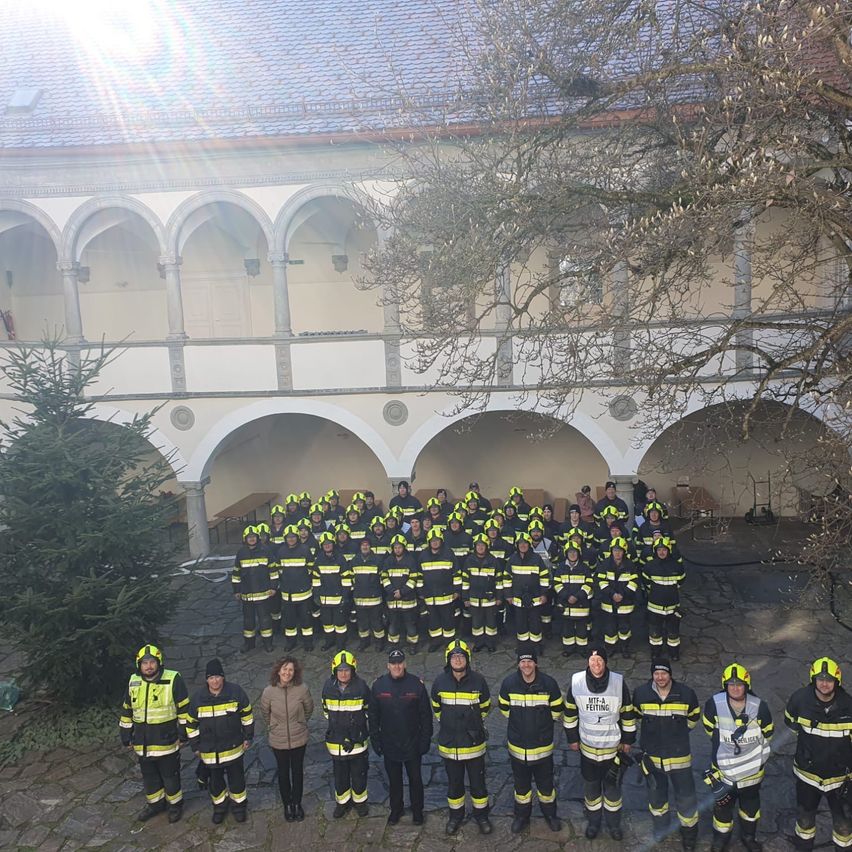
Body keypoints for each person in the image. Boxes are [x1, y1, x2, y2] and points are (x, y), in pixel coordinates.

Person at [563, 647, 636, 841]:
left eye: (600, 660)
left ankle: (614, 825)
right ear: (588, 661)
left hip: (613, 751)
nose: (596, 664)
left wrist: (628, 741)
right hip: (587, 750)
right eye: (592, 660)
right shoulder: (577, 682)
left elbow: (628, 714)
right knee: (591, 791)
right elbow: (569, 713)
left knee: (613, 792)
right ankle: (594, 823)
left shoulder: (618, 683)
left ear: (605, 662)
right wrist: (572, 739)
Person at [702, 662, 773, 852]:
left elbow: (768, 733)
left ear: (747, 685)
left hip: (751, 773)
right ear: (725, 685)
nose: (735, 688)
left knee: (750, 808)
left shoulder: (759, 707)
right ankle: (721, 840)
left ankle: (748, 837)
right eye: (731, 684)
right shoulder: (713, 704)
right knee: (722, 808)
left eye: (739, 684)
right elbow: (709, 729)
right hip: (724, 772)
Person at [784, 657, 852, 852]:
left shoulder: (849, 706)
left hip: (841, 780)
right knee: (804, 823)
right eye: (820, 678)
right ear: (813, 679)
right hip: (808, 777)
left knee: (844, 827)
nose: (824, 683)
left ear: (837, 682)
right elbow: (792, 723)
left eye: (829, 679)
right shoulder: (799, 700)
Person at [633, 658, 700, 850]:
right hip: (652, 759)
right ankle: (661, 829)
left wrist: (677, 735)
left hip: (679, 759)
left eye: (664, 673)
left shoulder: (686, 694)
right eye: (656, 673)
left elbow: (694, 717)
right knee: (657, 799)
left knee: (686, 799)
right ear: (652, 675)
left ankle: (689, 835)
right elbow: (636, 715)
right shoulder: (641, 694)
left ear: (670, 674)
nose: (660, 677)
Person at [119, 644, 190, 823]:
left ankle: (175, 805)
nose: (149, 666)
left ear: (159, 663)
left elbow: (184, 710)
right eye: (145, 663)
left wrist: (183, 735)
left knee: (170, 777)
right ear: (139, 665)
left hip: (167, 741)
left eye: (152, 662)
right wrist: (126, 735)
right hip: (143, 744)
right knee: (150, 778)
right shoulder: (133, 681)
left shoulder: (173, 679)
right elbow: (127, 709)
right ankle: (155, 805)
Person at [498, 647, 563, 834]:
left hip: (542, 748)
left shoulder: (549, 684)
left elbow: (557, 709)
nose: (526, 665)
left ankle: (550, 815)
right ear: (518, 664)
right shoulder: (509, 683)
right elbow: (504, 708)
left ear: (536, 663)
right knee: (521, 788)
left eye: (529, 661)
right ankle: (522, 816)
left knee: (546, 787)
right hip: (518, 748)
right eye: (523, 661)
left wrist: (542, 726)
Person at [431, 640, 492, 835]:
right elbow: (436, 708)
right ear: (448, 660)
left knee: (478, 785)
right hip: (450, 745)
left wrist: (473, 724)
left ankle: (481, 816)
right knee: (454, 785)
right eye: (454, 657)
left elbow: (485, 706)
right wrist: (449, 724)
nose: (458, 660)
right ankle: (455, 817)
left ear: (467, 659)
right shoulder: (440, 682)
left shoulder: (479, 681)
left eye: (461, 656)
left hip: (474, 745)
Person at [369, 649, 433, 825]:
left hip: (412, 743)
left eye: (400, 662)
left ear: (404, 663)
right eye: (393, 663)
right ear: (388, 665)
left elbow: (426, 715)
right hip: (389, 743)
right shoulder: (378, 686)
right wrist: (375, 740)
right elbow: (373, 716)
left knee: (415, 779)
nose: (397, 666)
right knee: (394, 781)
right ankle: (396, 810)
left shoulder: (416, 685)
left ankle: (417, 811)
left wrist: (425, 740)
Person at [186, 659, 253, 824]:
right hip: (210, 752)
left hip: (233, 748)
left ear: (223, 677)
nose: (215, 681)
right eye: (211, 678)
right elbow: (191, 724)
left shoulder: (236, 692)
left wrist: (248, 737)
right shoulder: (198, 699)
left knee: (237, 780)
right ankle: (220, 807)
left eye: (217, 677)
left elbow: (247, 716)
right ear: (206, 680)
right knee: (215, 783)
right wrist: (195, 746)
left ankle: (239, 807)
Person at [260, 656, 314, 822]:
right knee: (283, 773)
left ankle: (297, 804)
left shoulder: (302, 689)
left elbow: (309, 709)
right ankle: (287, 805)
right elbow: (264, 713)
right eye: (284, 669)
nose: (287, 672)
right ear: (278, 670)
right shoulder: (268, 691)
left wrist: (299, 723)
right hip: (278, 739)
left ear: (295, 672)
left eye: (290, 669)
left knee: (297, 772)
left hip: (299, 737)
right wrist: (274, 727)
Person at [322, 650, 371, 817]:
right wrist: (341, 732)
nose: (343, 673)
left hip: (357, 741)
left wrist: (353, 733)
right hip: (336, 742)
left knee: (359, 774)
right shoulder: (328, 688)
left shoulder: (361, 687)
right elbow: (327, 711)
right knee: (340, 776)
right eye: (340, 670)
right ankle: (342, 803)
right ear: (335, 671)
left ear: (353, 670)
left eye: (347, 670)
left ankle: (360, 803)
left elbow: (367, 711)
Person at [232, 524, 277, 652]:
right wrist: (236, 590)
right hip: (246, 594)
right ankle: (249, 644)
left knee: (265, 621)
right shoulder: (241, 553)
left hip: (263, 593)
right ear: (245, 539)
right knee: (248, 621)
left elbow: (273, 571)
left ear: (258, 538)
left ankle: (268, 644)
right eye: (249, 537)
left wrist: (273, 587)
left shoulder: (266, 550)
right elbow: (236, 573)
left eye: (254, 537)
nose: (252, 539)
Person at [642, 537, 686, 658]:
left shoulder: (677, 566)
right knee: (655, 633)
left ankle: (674, 653)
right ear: (655, 551)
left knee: (673, 633)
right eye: (659, 550)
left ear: (669, 550)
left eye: (664, 550)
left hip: (673, 606)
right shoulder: (649, 566)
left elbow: (681, 580)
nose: (661, 552)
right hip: (654, 607)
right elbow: (646, 582)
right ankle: (656, 653)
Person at [418, 527, 461, 651]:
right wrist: (421, 592)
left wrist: (457, 591)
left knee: (448, 619)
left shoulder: (448, 553)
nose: (435, 542)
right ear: (429, 542)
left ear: (441, 541)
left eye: (437, 540)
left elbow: (457, 574)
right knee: (433, 621)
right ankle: (436, 641)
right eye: (432, 541)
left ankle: (449, 642)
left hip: (446, 595)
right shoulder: (423, 555)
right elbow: (419, 576)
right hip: (430, 595)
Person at [505, 531, 549, 648]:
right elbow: (507, 578)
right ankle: (523, 647)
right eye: (520, 543)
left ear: (529, 544)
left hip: (536, 598)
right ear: (517, 545)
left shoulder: (537, 558)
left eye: (525, 543)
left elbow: (544, 577)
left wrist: (544, 594)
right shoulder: (512, 559)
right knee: (521, 624)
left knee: (535, 624)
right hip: (517, 599)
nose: (523, 545)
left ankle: (536, 646)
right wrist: (508, 596)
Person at [460, 532, 504, 651]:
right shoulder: (469, 561)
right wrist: (465, 598)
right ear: (475, 547)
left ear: (487, 546)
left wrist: (499, 597)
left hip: (490, 600)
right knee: (477, 623)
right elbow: (465, 581)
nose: (480, 547)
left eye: (483, 545)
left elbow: (499, 581)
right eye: (478, 545)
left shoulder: (493, 561)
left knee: (491, 623)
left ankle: (490, 643)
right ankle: (478, 643)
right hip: (474, 599)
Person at [311, 530, 354, 650]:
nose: (327, 546)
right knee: (327, 623)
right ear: (322, 546)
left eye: (329, 543)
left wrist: (345, 596)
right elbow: (315, 580)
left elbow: (346, 580)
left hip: (338, 598)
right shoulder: (319, 560)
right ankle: (329, 642)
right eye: (325, 544)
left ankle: (341, 644)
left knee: (340, 624)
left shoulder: (340, 559)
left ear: (333, 544)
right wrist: (316, 595)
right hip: (324, 599)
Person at [596, 537, 638, 654]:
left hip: (625, 603)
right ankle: (610, 648)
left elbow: (634, 583)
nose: (617, 553)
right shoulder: (605, 564)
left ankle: (625, 648)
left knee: (625, 628)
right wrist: (612, 594)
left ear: (624, 551)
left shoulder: (630, 565)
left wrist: (622, 595)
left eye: (619, 550)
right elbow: (601, 581)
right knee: (610, 628)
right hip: (608, 603)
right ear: (611, 551)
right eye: (615, 550)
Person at [277, 524, 315, 651]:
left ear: (297, 537)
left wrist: (303, 580)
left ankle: (308, 643)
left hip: (304, 592)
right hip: (287, 593)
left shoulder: (305, 549)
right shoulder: (281, 551)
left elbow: (311, 568)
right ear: (285, 538)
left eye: (293, 537)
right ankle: (290, 642)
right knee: (289, 621)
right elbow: (279, 570)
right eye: (289, 537)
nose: (291, 539)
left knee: (306, 620)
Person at [553, 543, 594, 656]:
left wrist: (577, 596)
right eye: (570, 552)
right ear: (566, 554)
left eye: (575, 552)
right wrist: (567, 596)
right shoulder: (561, 567)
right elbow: (556, 584)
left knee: (582, 630)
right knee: (567, 629)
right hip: (566, 604)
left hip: (581, 605)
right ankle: (568, 649)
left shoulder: (584, 568)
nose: (572, 554)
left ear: (579, 553)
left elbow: (589, 584)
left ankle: (582, 649)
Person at [381, 533, 421, 649]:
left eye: (399, 547)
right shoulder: (388, 561)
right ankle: (393, 645)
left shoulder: (411, 560)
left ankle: (412, 645)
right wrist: (392, 591)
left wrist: (402, 592)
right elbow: (384, 577)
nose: (397, 549)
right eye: (395, 547)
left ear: (404, 547)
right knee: (393, 625)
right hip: (392, 600)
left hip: (408, 600)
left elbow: (413, 578)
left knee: (410, 625)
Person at [351, 536, 386, 650]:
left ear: (370, 547)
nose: (365, 547)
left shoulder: (377, 560)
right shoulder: (355, 560)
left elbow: (382, 579)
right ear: (360, 547)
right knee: (362, 623)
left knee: (377, 622)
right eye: (363, 545)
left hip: (374, 598)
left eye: (367, 545)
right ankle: (364, 642)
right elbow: (350, 578)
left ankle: (379, 643)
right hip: (359, 598)